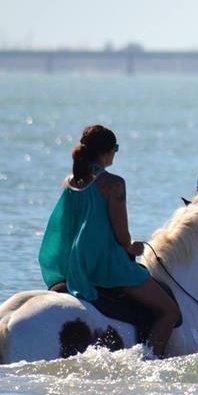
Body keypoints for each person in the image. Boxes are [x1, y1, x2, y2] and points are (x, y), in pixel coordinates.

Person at [38, 125, 179, 356]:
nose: (115, 153)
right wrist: (134, 247)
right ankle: (151, 361)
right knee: (169, 311)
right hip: (108, 267)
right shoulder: (114, 184)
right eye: (115, 149)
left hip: (75, 265)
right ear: (106, 152)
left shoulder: (71, 182)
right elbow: (122, 236)